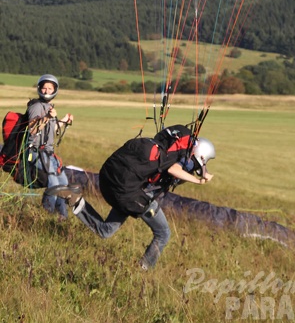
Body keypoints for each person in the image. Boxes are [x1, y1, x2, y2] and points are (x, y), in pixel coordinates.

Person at [48, 125, 215, 269]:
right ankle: (144, 268)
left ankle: (75, 199)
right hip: (140, 195)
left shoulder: (174, 149)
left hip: (128, 188)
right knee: (163, 233)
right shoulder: (187, 162)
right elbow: (173, 170)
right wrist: (198, 180)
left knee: (105, 231)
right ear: (202, 155)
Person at [27, 74, 73, 219]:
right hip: (35, 151)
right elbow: (33, 130)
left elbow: (50, 130)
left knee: (64, 184)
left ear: (55, 90)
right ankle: (46, 215)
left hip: (48, 153)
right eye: (44, 88)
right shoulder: (36, 107)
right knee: (53, 182)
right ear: (39, 89)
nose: (46, 91)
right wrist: (47, 117)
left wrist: (64, 121)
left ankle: (62, 217)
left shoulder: (49, 107)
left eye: (50, 88)